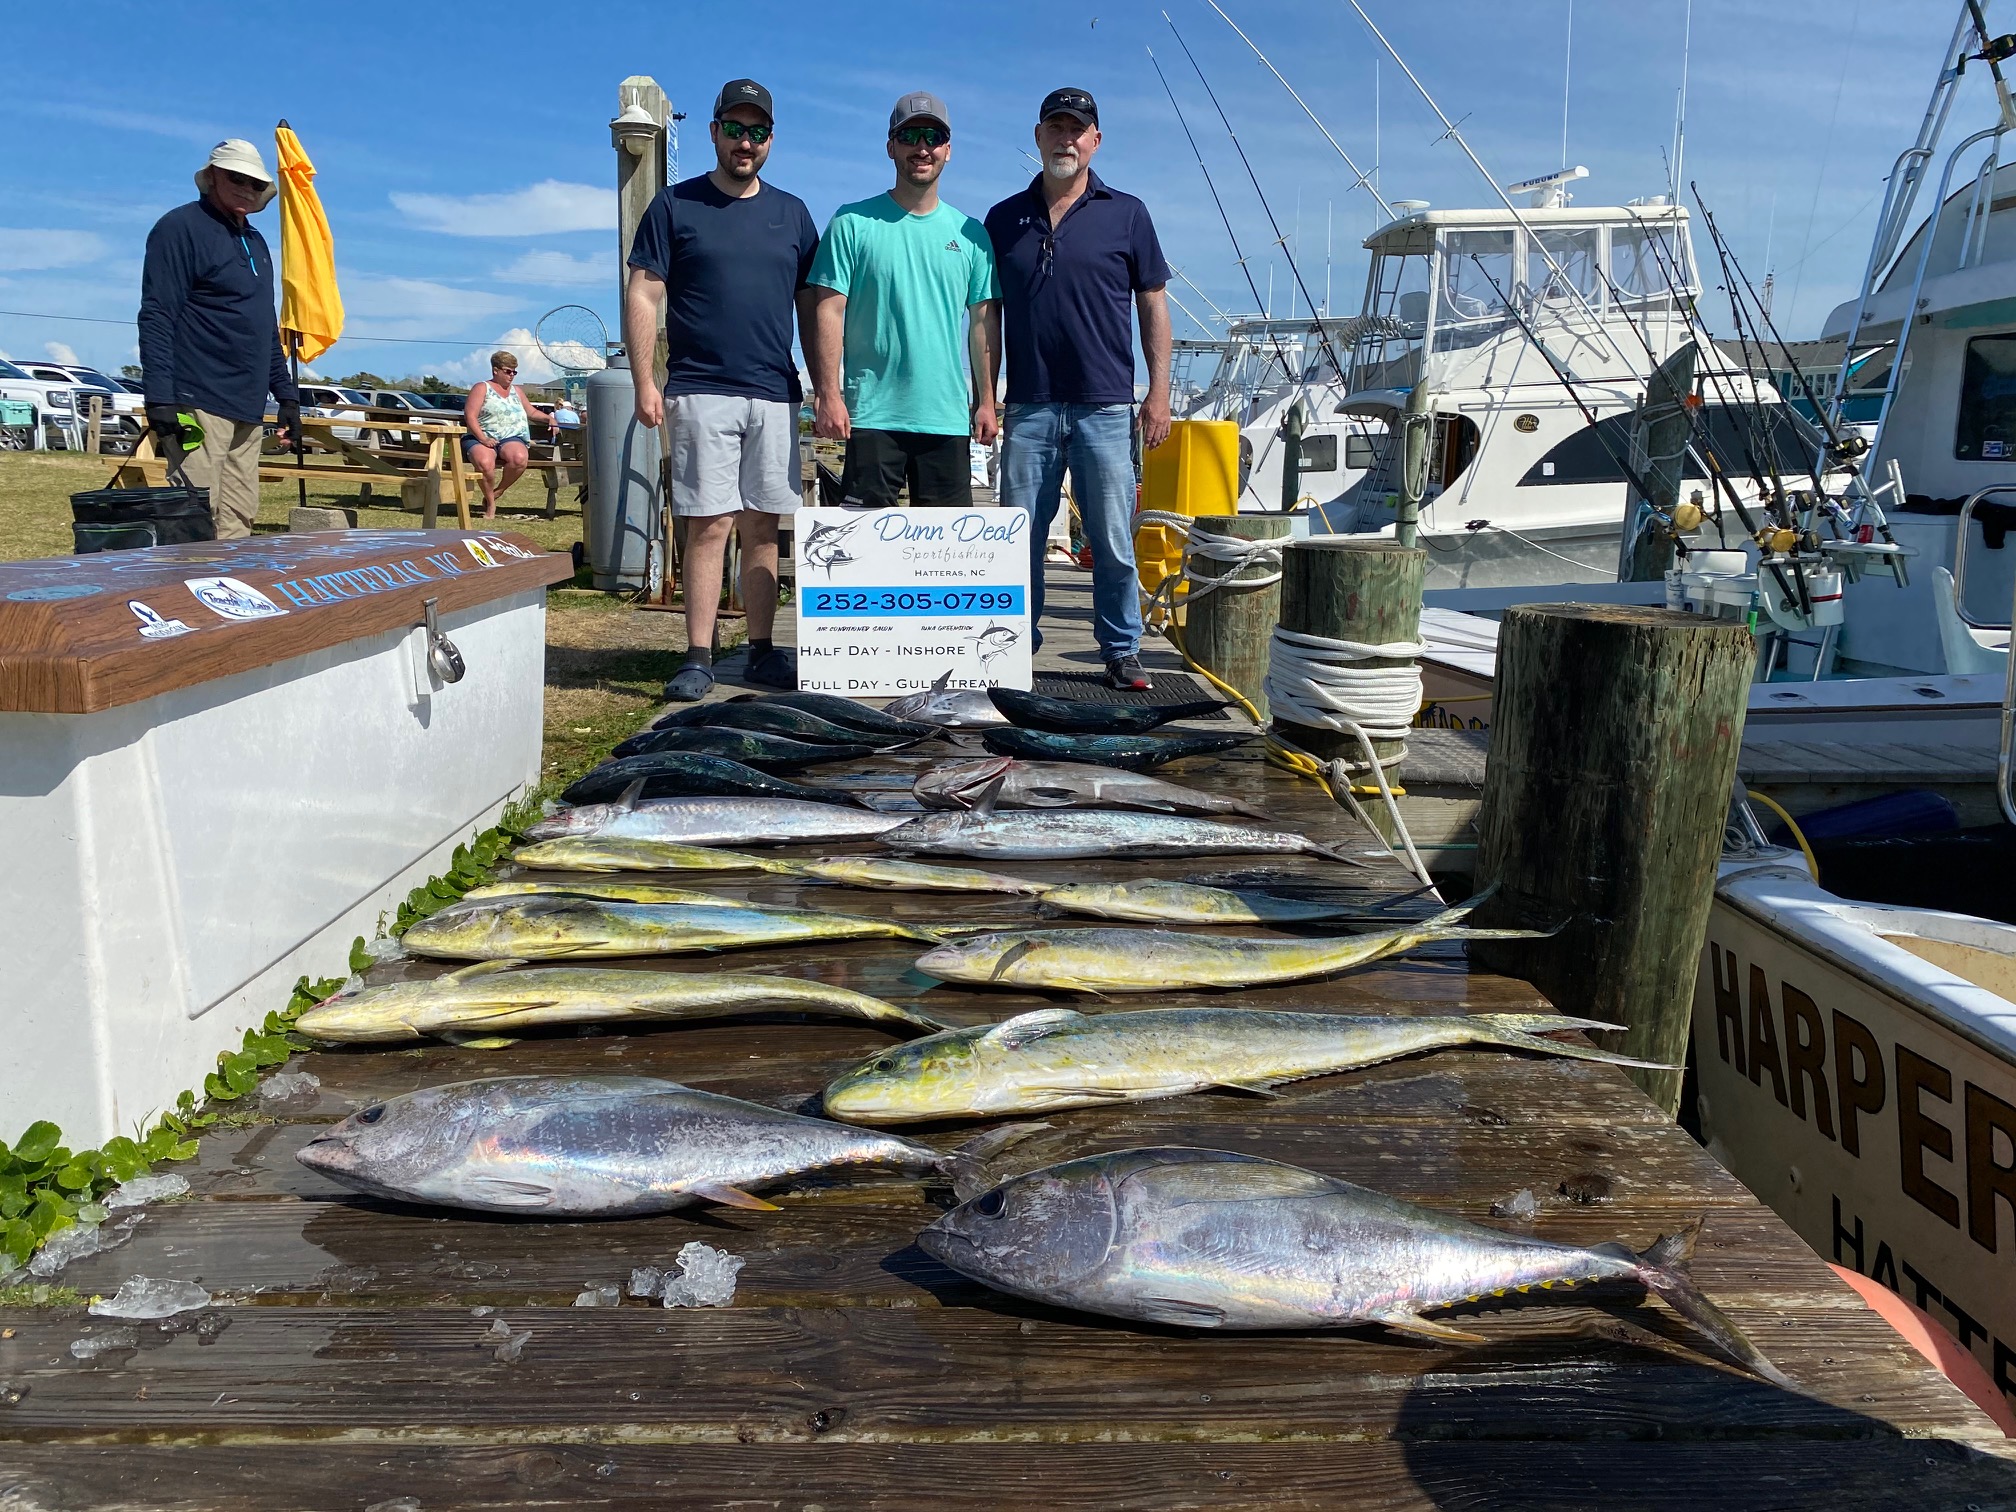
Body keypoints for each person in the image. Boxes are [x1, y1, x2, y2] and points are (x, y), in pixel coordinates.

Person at [625, 79, 820, 701]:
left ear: (770, 140)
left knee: (766, 527)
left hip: (774, 392)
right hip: (700, 388)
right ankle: (699, 655)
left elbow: (815, 307)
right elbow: (644, 292)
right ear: (713, 131)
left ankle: (760, 650)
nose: (745, 140)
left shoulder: (793, 214)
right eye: (734, 128)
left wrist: (826, 388)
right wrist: (644, 380)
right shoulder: (674, 206)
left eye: (757, 131)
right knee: (707, 524)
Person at [985, 88, 1172, 691]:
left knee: (1113, 535)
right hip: (1029, 406)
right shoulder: (1002, 218)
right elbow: (986, 316)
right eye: (1055, 128)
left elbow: (1153, 305)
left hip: (1106, 405)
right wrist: (985, 396)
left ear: (1095, 140)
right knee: (1018, 537)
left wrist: (1159, 392)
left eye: (1077, 129)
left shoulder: (1128, 213)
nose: (1066, 139)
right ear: (1037, 136)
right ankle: (1016, 644)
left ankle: (1120, 648)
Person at [807, 91, 999, 507]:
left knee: (946, 559)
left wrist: (986, 402)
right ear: (891, 147)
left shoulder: (971, 235)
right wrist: (829, 393)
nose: (922, 147)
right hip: (871, 416)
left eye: (933, 136)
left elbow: (984, 321)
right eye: (909, 136)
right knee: (863, 555)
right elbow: (829, 310)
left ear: (948, 149)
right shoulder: (850, 222)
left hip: (946, 419)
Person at [138, 139, 301, 539]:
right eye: (235, 177)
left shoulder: (257, 243)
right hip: (198, 398)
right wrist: (159, 397)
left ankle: (229, 596)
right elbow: (157, 314)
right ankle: (184, 598)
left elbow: (264, 328)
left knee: (239, 517)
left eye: (254, 182)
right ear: (211, 177)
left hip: (248, 407)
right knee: (193, 518)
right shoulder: (179, 228)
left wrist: (288, 397)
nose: (245, 187)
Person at [460, 351, 556, 519]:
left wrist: (549, 418)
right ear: (495, 370)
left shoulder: (517, 391)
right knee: (484, 462)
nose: (511, 375)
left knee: (519, 458)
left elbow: (531, 412)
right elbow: (470, 416)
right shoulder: (481, 388)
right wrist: (483, 438)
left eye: (514, 372)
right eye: (508, 371)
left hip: (510, 437)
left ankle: (498, 491)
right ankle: (490, 504)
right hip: (480, 436)